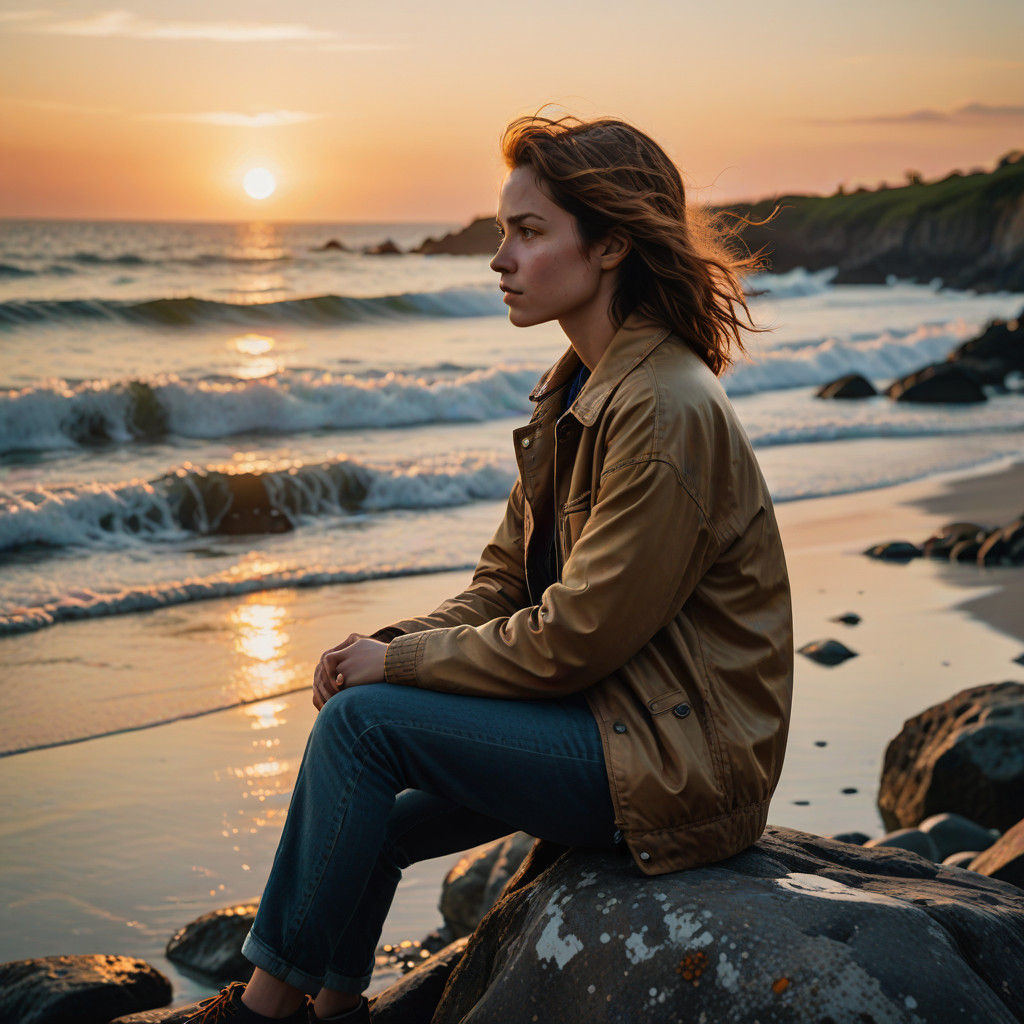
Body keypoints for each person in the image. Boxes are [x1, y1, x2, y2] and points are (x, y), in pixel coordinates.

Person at [181, 112, 793, 1024]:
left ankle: (262, 1011)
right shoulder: (574, 389)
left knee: (361, 732)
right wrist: (389, 644)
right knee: (372, 806)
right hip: (608, 724)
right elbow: (505, 585)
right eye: (503, 229)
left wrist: (401, 673)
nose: (500, 256)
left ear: (613, 243)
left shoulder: (662, 408)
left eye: (529, 231)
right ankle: (337, 1009)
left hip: (675, 764)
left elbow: (578, 635)